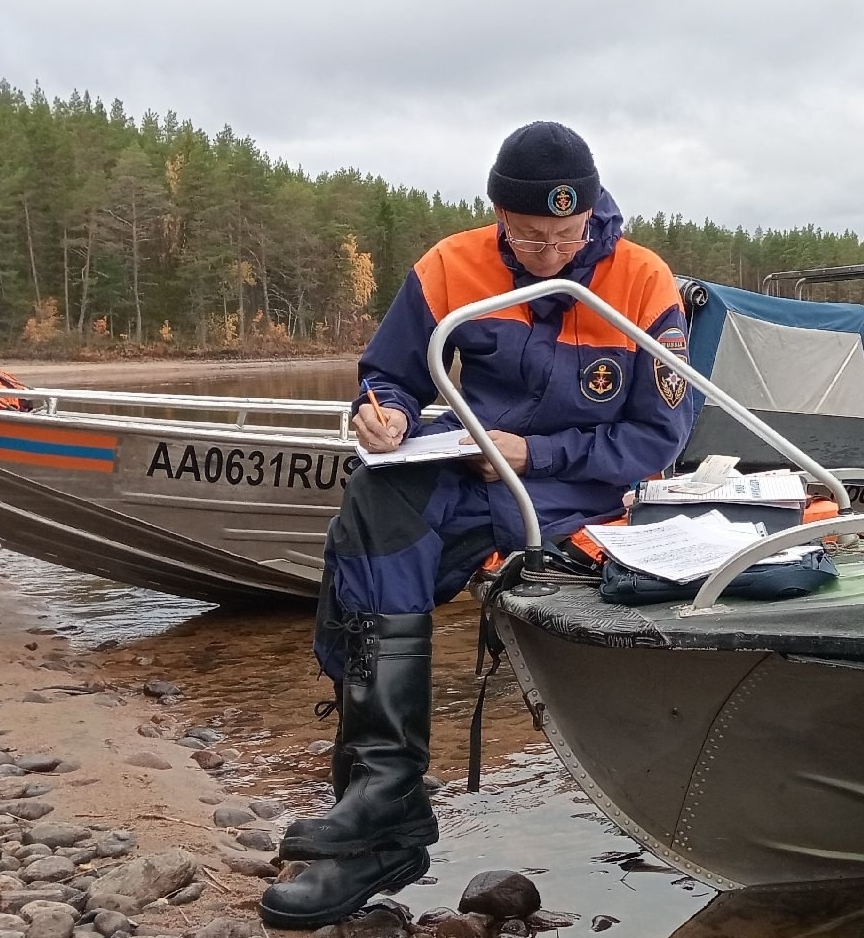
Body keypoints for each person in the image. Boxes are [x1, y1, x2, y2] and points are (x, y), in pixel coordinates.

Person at [258, 121, 697, 929]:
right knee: (371, 514)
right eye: (529, 239)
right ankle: (382, 797)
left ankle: (374, 828)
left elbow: (655, 440)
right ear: (497, 214)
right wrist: (383, 413)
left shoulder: (641, 281)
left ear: (593, 212)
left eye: (567, 235)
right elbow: (389, 373)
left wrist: (537, 451)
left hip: (579, 486)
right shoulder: (450, 265)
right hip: (471, 468)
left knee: (374, 557)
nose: (549, 254)